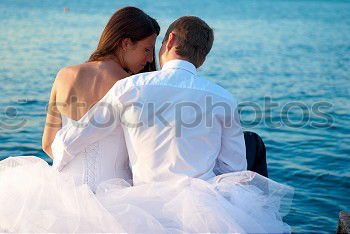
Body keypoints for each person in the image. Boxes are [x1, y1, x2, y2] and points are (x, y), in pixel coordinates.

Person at [49, 16, 293, 233]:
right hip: (204, 210)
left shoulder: (130, 87)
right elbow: (233, 169)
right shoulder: (224, 99)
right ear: (203, 58)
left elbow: (77, 137)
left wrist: (59, 159)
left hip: (142, 205)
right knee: (253, 144)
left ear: (171, 40)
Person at [42, 6, 160, 190]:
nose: (150, 59)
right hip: (116, 194)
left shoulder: (64, 75)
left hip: (65, 189)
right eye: (147, 50)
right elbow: (144, 156)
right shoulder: (133, 87)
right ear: (126, 43)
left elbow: (48, 144)